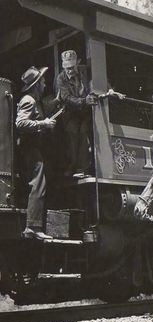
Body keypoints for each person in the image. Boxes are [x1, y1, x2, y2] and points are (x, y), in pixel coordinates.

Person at [16, 66, 56, 240]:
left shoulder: (34, 100)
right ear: (36, 84)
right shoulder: (29, 100)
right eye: (43, 81)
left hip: (33, 147)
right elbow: (21, 123)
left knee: (39, 183)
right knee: (38, 183)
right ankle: (32, 226)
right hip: (29, 148)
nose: (45, 83)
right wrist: (43, 124)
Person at [55, 50, 97, 179]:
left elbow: (98, 80)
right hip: (70, 114)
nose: (69, 71)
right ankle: (72, 167)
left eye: (72, 68)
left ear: (76, 64)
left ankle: (82, 168)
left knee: (84, 135)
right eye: (67, 68)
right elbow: (66, 97)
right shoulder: (60, 78)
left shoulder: (85, 71)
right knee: (72, 137)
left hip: (85, 113)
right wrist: (84, 101)